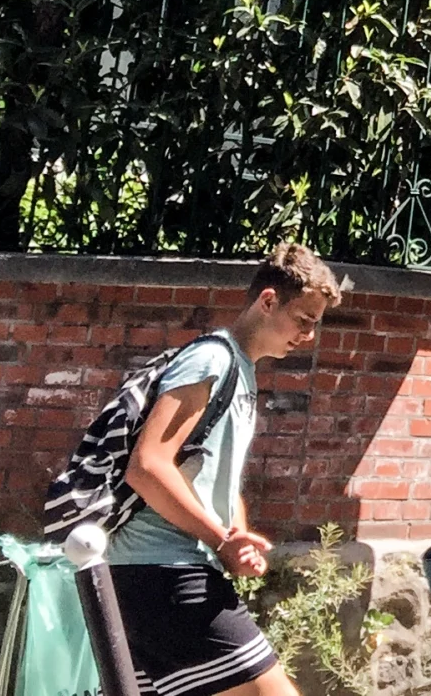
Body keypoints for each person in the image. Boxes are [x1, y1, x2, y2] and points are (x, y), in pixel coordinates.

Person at [113, 243, 343, 696]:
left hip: (166, 574)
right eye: (304, 321)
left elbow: (213, 473)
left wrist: (235, 532)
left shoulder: (241, 371)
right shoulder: (211, 359)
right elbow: (148, 465)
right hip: (163, 574)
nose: (308, 337)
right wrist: (219, 540)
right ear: (269, 300)